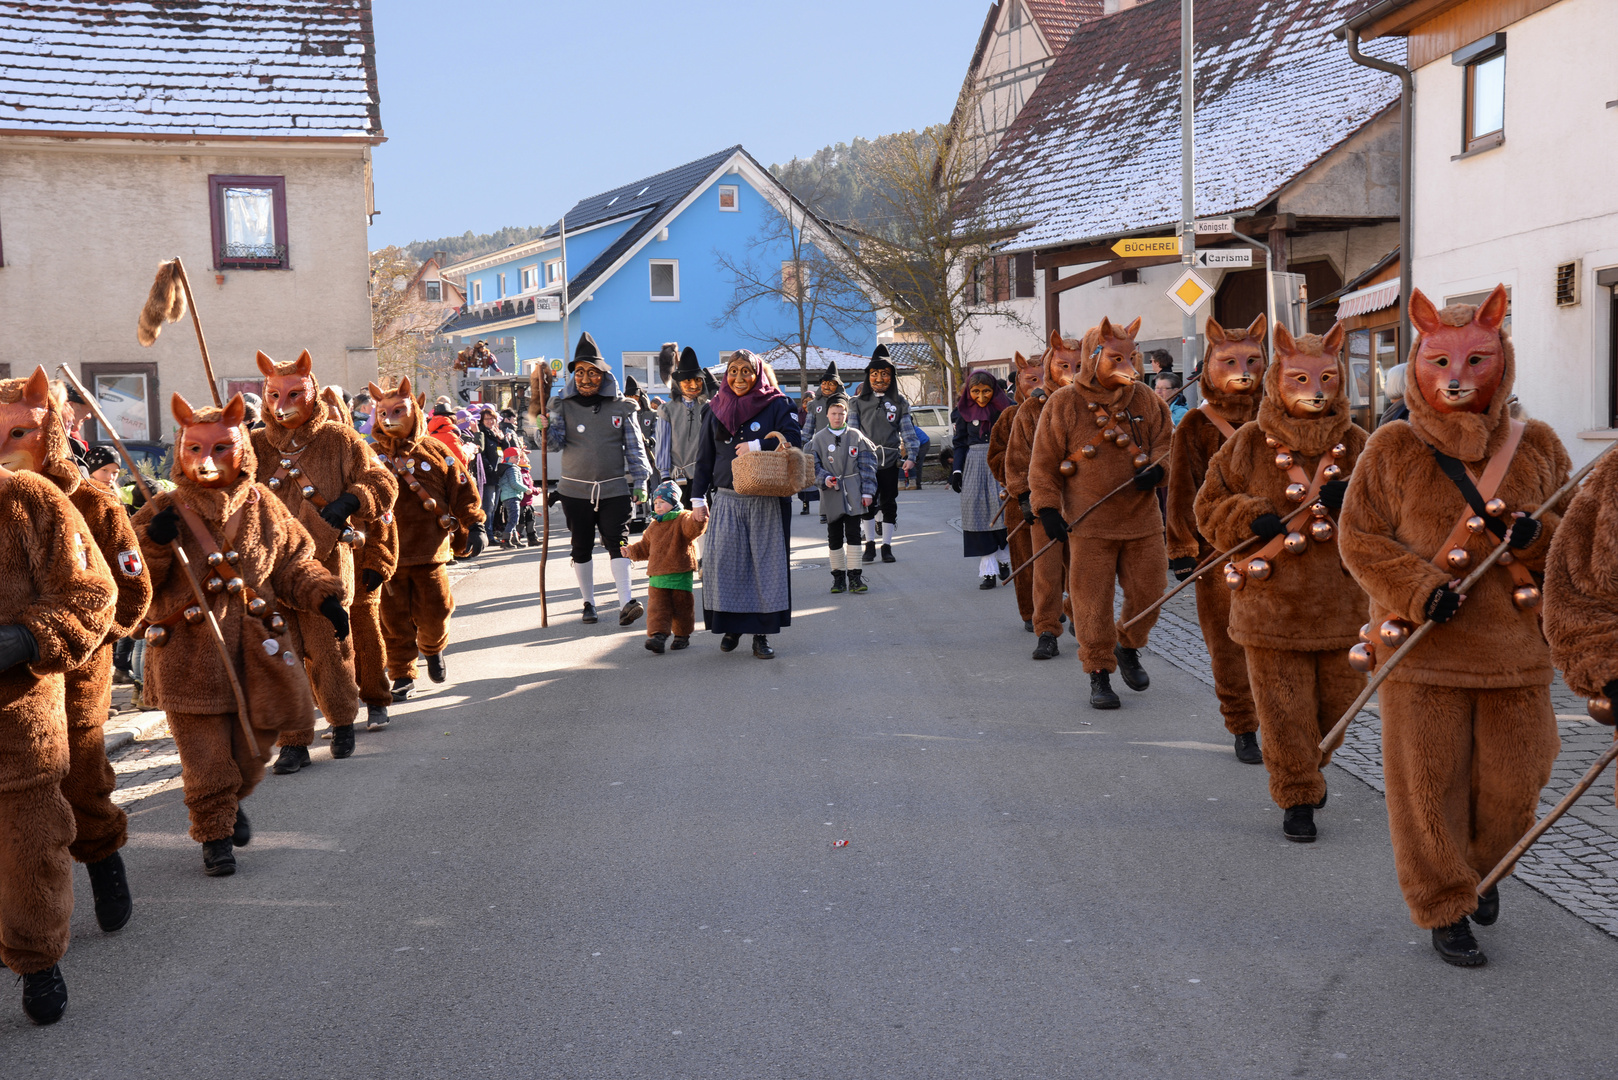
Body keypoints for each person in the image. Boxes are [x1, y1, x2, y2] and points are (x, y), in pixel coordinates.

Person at [1339, 285, 1569, 967]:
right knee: (1427, 789)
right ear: (1417, 363)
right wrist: (1418, 589)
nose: (1458, 378)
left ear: (1503, 361)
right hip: (1423, 654)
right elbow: (1359, 539)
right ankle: (1445, 904)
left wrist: (1536, 535)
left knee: (1517, 782)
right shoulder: (1391, 448)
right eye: (1441, 363)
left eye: (1476, 362)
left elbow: (1582, 545)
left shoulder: (1542, 446)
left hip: (1516, 656)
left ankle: (1486, 866)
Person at [135, 393, 346, 877]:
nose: (205, 460)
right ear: (181, 449)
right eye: (194, 449)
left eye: (220, 448)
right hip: (187, 655)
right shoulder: (159, 509)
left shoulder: (263, 504)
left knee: (252, 752)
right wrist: (154, 544)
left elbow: (295, 561)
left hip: (256, 651)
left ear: (242, 448)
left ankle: (229, 799)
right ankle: (214, 836)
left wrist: (324, 597)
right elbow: (130, 581)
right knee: (206, 758)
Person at [1196, 323, 1367, 840]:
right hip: (1270, 608)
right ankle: (1297, 796)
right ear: (1279, 379)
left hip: (1344, 610)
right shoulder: (1248, 443)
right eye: (1301, 379)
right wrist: (1247, 518)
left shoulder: (1361, 443)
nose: (1315, 391)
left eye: (1326, 379)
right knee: (1283, 712)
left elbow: (1400, 517)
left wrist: (1355, 503)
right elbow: (1208, 506)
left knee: (1336, 710)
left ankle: (1309, 765)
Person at [0, 455, 118, 1025]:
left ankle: (36, 959)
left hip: (21, 719)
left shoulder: (30, 498)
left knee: (32, 847)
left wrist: (26, 638)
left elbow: (97, 592)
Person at [252, 349, 397, 761]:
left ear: (311, 392)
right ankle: (293, 742)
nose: (283, 406)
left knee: (330, 650)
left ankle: (341, 721)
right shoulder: (255, 444)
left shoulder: (340, 439)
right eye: (274, 396)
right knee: (282, 654)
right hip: (273, 567)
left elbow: (380, 479)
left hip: (327, 561)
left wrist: (352, 499)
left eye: (294, 394)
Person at [1029, 318, 1172, 708]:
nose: (1130, 365)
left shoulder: (1145, 399)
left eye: (1132, 357)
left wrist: (1159, 469)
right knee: (1092, 602)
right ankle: (1098, 671)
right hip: (1088, 526)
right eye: (1117, 358)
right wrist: (1047, 509)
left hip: (1142, 523)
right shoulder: (1063, 403)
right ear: (1095, 357)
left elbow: (1165, 443)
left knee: (1151, 592)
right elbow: (1042, 464)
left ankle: (1128, 644)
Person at [1165, 315, 1266, 763]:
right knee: (1226, 644)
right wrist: (1181, 547)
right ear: (1210, 363)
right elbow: (1181, 490)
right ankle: (1243, 724)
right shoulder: (1196, 425)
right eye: (1229, 361)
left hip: (1284, 549)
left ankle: (1286, 722)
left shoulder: (1279, 417)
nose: (1242, 368)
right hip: (1217, 554)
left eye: (1252, 360)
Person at [368, 377, 483, 702]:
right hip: (388, 557)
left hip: (430, 552)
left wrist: (474, 525)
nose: (388, 417)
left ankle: (432, 649)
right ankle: (402, 673)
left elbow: (463, 488)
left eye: (398, 410)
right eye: (382, 411)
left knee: (437, 611)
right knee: (392, 621)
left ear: (414, 411)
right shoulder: (369, 456)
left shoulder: (437, 451)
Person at [691, 350, 803, 658]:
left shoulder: (778, 403)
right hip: (727, 498)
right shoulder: (714, 408)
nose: (739, 378)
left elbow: (793, 438)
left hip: (766, 498)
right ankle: (732, 626)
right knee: (725, 565)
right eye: (733, 371)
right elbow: (704, 457)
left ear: (758, 374)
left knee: (765, 568)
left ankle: (761, 635)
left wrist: (758, 444)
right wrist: (698, 499)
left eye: (746, 372)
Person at [540, 332, 651, 626]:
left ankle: (626, 600)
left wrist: (640, 482)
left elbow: (635, 446)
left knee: (619, 542)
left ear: (603, 375)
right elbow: (553, 445)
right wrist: (544, 426)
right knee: (581, 545)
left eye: (592, 373)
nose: (586, 379)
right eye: (580, 373)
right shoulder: (561, 406)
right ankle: (588, 603)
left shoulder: (622, 407)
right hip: (575, 492)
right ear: (573, 376)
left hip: (614, 488)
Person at [848, 345, 919, 563]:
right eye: (875, 374)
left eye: (885, 374)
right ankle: (869, 544)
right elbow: (852, 433)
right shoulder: (857, 403)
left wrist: (911, 456)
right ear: (868, 376)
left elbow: (907, 431)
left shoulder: (899, 403)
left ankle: (887, 546)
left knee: (889, 503)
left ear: (892, 377)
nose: (880, 378)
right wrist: (851, 459)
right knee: (866, 503)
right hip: (865, 461)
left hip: (889, 459)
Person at [989, 352, 1041, 631]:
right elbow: (995, 455)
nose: (1038, 385)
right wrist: (1014, 479)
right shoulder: (1010, 415)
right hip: (1018, 499)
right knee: (1024, 558)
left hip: (1059, 498)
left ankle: (1058, 606)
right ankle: (1030, 612)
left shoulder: (1063, 409)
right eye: (1032, 379)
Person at [624, 480, 707, 654]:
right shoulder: (654, 526)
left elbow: (692, 528)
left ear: (674, 501)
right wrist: (630, 551)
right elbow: (645, 547)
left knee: (681, 608)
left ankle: (682, 635)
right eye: (655, 503)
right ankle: (658, 636)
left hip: (679, 573)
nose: (658, 506)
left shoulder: (682, 517)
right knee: (657, 609)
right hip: (657, 576)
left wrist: (698, 520)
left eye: (662, 502)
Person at [808, 391, 877, 594]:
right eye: (834, 413)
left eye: (841, 413)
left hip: (854, 492)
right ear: (827, 415)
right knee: (834, 536)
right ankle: (838, 578)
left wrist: (868, 493)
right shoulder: (818, 439)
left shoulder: (856, 436)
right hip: (831, 494)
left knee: (854, 534)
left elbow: (868, 466)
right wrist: (824, 478)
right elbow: (812, 466)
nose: (838, 417)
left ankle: (855, 576)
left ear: (846, 414)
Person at [952, 371, 1012, 588]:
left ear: (994, 389)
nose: (981, 396)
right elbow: (959, 443)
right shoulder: (963, 411)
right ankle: (988, 569)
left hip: (1000, 462)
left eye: (986, 391)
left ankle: (1004, 557)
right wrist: (957, 471)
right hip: (974, 464)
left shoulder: (1007, 408)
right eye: (975, 391)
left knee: (1003, 509)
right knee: (975, 512)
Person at [655, 347, 712, 510]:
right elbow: (663, 444)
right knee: (679, 523)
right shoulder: (668, 410)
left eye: (697, 380)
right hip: (676, 477)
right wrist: (665, 476)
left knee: (703, 520)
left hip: (704, 476)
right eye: (687, 381)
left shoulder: (709, 409)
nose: (693, 385)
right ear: (678, 384)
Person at [476, 407, 514, 544]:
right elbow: (481, 454)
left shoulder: (495, 433)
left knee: (494, 506)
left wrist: (503, 439)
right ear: (482, 420)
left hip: (499, 474)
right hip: (488, 475)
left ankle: (490, 533)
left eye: (492, 418)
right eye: (487, 419)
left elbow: (507, 450)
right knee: (488, 506)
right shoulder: (481, 433)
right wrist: (490, 468)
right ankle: (488, 535)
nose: (490, 421)